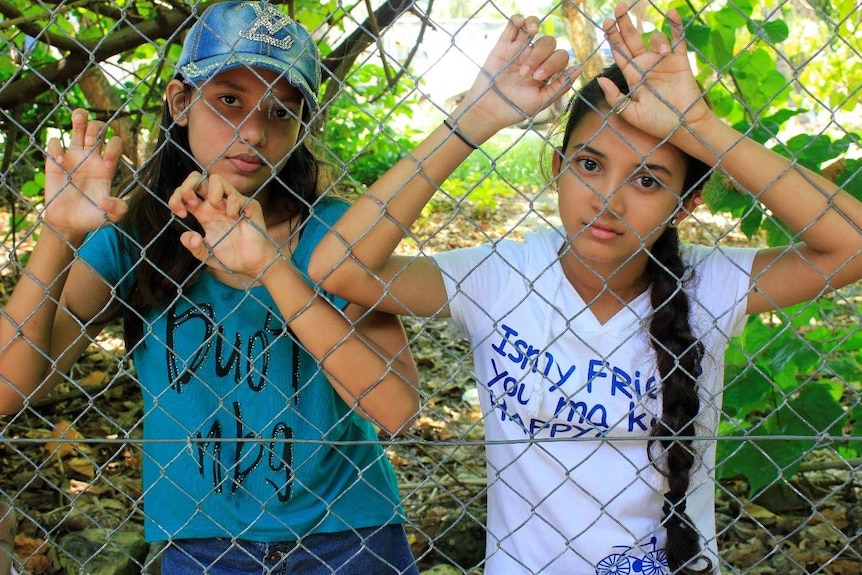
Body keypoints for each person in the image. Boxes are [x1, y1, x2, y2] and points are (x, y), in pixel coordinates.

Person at [303, 4, 862, 575]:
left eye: (648, 180)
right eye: (589, 165)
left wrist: (701, 129)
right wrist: (474, 119)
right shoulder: (503, 277)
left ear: (686, 205)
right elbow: (339, 267)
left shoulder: (706, 283)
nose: (608, 199)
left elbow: (854, 244)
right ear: (557, 165)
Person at [0, 2, 421, 573]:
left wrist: (273, 266)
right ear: (180, 102)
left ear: (302, 129)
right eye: (229, 100)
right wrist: (59, 234)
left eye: (280, 112)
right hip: (203, 546)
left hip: (351, 534)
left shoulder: (335, 234)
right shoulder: (133, 240)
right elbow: (11, 388)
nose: (253, 132)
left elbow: (396, 411)